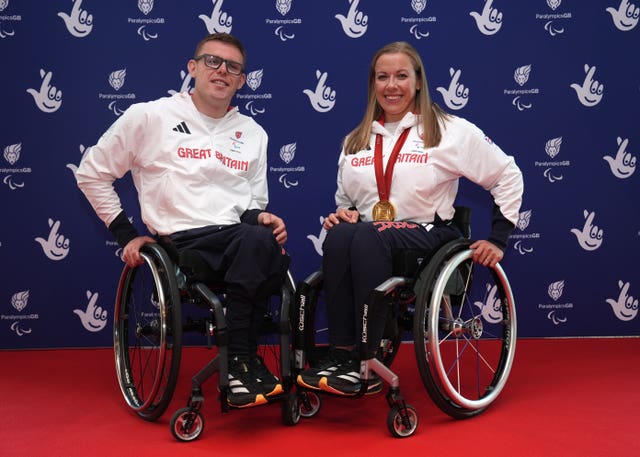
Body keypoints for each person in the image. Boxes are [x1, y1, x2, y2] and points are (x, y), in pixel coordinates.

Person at [296, 41, 523, 396]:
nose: (391, 85)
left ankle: (366, 356)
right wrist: (344, 214)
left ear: (418, 81)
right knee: (341, 236)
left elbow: (507, 174)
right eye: (382, 77)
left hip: (429, 234)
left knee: (369, 235)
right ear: (373, 84)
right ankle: (342, 355)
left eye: (401, 76)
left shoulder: (449, 130)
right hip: (371, 234)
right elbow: (347, 200)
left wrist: (498, 237)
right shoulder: (356, 139)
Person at [76, 33, 288, 409]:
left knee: (262, 239)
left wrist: (262, 216)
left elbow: (251, 203)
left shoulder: (254, 132)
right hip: (183, 243)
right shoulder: (149, 116)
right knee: (257, 244)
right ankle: (241, 360)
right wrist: (126, 234)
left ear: (242, 80)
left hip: (239, 238)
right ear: (192, 68)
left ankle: (253, 363)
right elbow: (92, 173)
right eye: (212, 61)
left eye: (233, 67)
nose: (221, 71)